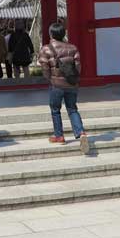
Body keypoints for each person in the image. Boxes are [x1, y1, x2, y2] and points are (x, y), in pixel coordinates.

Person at [38, 21, 89, 153]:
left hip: (56, 85)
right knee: (72, 109)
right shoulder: (73, 48)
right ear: (63, 33)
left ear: (51, 34)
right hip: (71, 84)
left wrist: (50, 79)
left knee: (55, 109)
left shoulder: (46, 48)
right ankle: (81, 133)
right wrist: (74, 79)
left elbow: (44, 68)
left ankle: (59, 136)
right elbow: (78, 66)